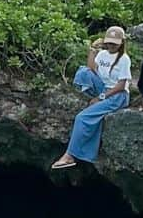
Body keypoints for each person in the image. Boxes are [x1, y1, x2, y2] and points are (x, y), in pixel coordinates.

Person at [51, 25, 131, 170]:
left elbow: (121, 85)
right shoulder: (103, 54)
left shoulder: (124, 59)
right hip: (103, 87)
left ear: (121, 43)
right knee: (83, 71)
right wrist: (92, 51)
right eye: (109, 42)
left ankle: (69, 156)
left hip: (117, 95)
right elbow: (92, 69)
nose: (111, 46)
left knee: (82, 118)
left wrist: (101, 97)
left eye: (114, 43)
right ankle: (94, 100)